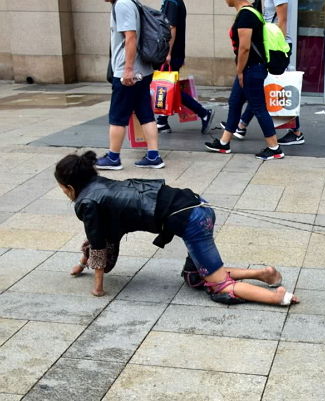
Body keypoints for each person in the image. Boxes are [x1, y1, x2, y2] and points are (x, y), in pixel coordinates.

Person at [56, 151, 299, 306]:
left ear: (68, 187)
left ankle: (275, 297)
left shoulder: (88, 201)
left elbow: (97, 243)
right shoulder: (99, 185)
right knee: (195, 277)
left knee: (219, 286)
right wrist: (82, 263)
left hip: (192, 221)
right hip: (195, 206)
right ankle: (263, 274)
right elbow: (98, 238)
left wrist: (98, 288)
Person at [205, 0, 284, 160]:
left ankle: (274, 148)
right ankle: (224, 143)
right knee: (235, 102)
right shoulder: (250, 12)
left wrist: (240, 71)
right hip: (250, 68)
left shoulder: (246, 15)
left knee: (259, 108)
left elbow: (244, 48)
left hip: (250, 69)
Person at [97, 0, 164, 170]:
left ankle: (113, 158)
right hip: (142, 71)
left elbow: (131, 36)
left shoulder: (122, 4)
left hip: (129, 74)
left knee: (118, 116)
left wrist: (127, 70)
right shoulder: (131, 2)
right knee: (145, 113)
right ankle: (153, 156)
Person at [227, 0, 305, 146]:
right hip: (268, 43)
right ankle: (241, 125)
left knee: (264, 91)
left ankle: (295, 132)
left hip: (275, 45)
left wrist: (275, 49)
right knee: (257, 90)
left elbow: (282, 21)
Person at [156, 0, 216, 135]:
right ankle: (162, 121)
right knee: (169, 87)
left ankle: (204, 113)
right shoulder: (176, 2)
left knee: (169, 87)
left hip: (171, 54)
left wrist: (168, 53)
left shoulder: (172, 2)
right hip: (175, 53)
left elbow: (172, 27)